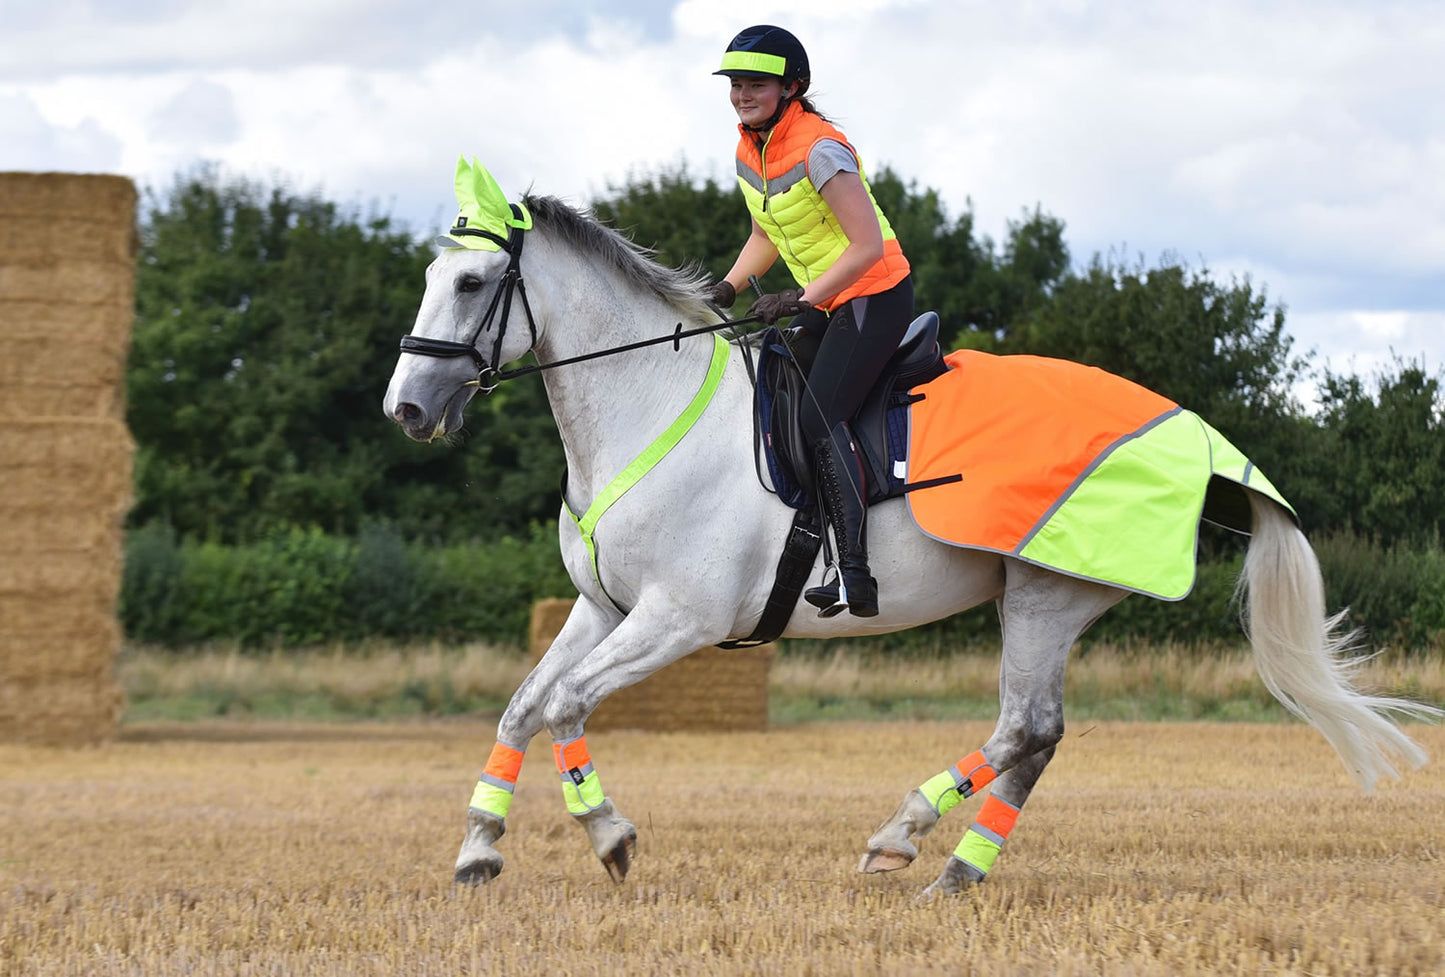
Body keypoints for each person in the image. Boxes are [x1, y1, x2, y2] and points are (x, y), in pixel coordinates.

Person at [706, 24, 914, 618]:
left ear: (791, 87)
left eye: (756, 85)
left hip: (874, 296)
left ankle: (854, 573)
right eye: (736, 84)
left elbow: (867, 247)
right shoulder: (751, 149)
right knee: (772, 381)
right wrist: (726, 286)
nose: (742, 95)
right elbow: (764, 235)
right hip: (825, 300)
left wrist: (798, 298)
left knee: (823, 418)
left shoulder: (821, 148)